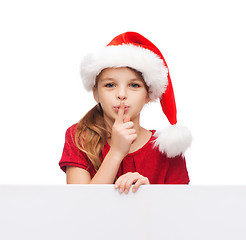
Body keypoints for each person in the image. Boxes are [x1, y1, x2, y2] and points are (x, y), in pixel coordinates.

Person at [59, 32, 192, 193]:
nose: (121, 94)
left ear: (148, 95)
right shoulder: (79, 137)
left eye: (134, 85)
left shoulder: (167, 149)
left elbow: (178, 213)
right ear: (96, 93)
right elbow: (79, 207)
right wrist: (116, 152)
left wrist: (148, 195)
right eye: (110, 85)